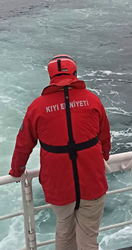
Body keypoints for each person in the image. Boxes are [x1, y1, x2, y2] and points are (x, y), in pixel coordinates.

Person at [9, 54, 111, 250]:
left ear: (50, 77)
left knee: (64, 232)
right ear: (74, 73)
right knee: (88, 240)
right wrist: (104, 157)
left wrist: (16, 170)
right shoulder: (92, 100)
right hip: (92, 182)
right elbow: (105, 137)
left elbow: (23, 144)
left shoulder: (36, 108)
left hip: (58, 187)